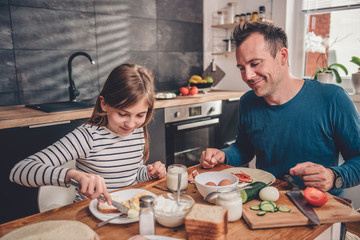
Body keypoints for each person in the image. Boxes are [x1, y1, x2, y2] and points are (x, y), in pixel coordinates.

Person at [200, 22, 360, 197]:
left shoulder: (332, 98)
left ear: (282, 56)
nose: (248, 76)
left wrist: (333, 176)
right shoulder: (248, 101)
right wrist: (223, 155)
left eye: (255, 63)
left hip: (322, 210)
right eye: (242, 68)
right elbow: (244, 148)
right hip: (268, 205)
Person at [10, 63, 166, 205]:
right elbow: (20, 171)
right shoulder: (87, 137)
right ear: (104, 103)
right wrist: (71, 175)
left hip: (126, 210)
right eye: (123, 114)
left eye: (140, 115)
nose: (131, 124)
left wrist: (148, 172)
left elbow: (131, 175)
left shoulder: (137, 132)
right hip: (89, 213)